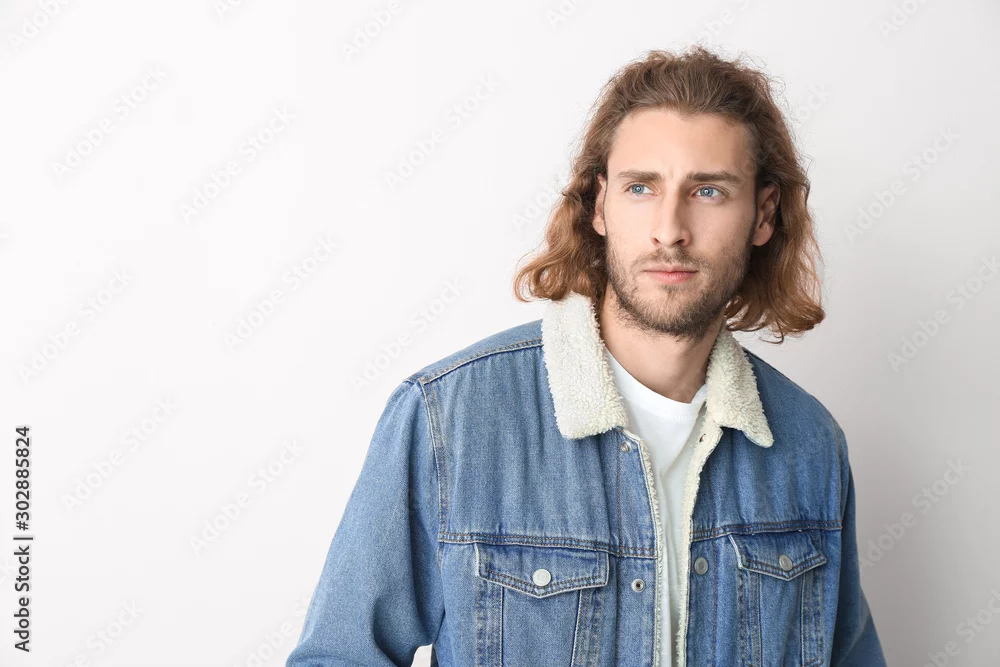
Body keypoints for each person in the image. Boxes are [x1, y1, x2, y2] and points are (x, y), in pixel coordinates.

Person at [286, 45, 887, 666]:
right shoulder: (450, 420)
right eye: (640, 188)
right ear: (599, 206)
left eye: (708, 191)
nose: (669, 229)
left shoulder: (808, 443)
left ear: (763, 214)